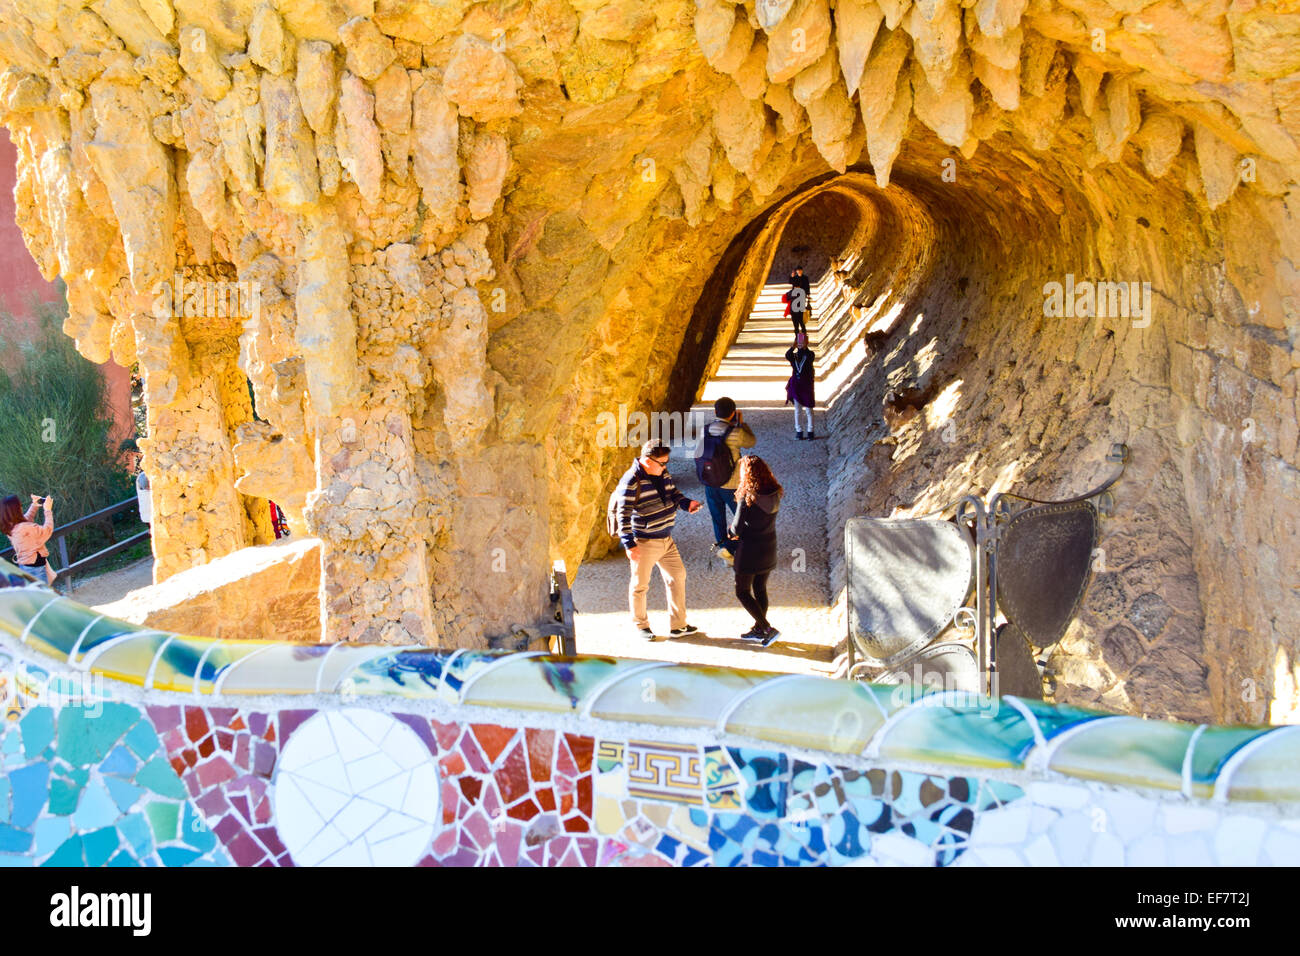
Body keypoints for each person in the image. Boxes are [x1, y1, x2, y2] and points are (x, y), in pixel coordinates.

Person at [614, 440, 703, 640]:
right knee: (640, 585)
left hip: (666, 539)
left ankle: (678, 625)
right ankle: (641, 626)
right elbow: (623, 515)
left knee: (677, 576)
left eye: (666, 463)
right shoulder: (631, 481)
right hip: (644, 542)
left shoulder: (662, 473)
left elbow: (674, 494)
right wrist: (629, 545)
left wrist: (687, 503)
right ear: (646, 460)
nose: (665, 467)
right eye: (661, 463)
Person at [727, 456, 783, 645]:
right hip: (769, 547)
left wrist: (729, 532)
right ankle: (759, 629)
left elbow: (736, 528)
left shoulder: (747, 497)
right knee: (760, 588)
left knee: (742, 591)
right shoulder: (775, 491)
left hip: (749, 550)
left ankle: (767, 628)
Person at [700, 397, 755, 566]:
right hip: (731, 484)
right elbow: (751, 441)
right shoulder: (735, 432)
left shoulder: (705, 430)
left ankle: (726, 552)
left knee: (718, 519)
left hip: (710, 483)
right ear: (733, 413)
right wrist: (741, 424)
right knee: (746, 519)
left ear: (715, 412)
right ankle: (730, 550)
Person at [1, 493, 56, 585]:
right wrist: (47, 510)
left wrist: (34, 505)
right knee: (42, 596)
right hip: (36, 570)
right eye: (20, 506)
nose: (21, 507)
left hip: (26, 566)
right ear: (15, 510)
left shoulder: (11, 526)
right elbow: (47, 531)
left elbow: (25, 521)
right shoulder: (24, 528)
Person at [785, 332, 816, 440]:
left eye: (803, 341)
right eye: (799, 341)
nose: (800, 343)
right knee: (797, 409)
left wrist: (804, 347)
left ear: (807, 342)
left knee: (809, 409)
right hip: (796, 385)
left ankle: (810, 431)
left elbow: (809, 358)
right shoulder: (794, 356)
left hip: (806, 386)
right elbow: (787, 355)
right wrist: (793, 346)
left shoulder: (810, 354)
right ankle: (799, 431)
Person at [789, 266, 811, 337]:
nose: (799, 271)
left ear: (802, 271)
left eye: (800, 270)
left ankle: (801, 335)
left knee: (800, 319)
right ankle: (799, 336)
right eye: (798, 270)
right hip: (796, 299)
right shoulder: (795, 278)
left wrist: (808, 294)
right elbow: (790, 282)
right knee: (798, 319)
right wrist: (792, 277)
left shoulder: (805, 278)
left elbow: (807, 286)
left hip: (802, 297)